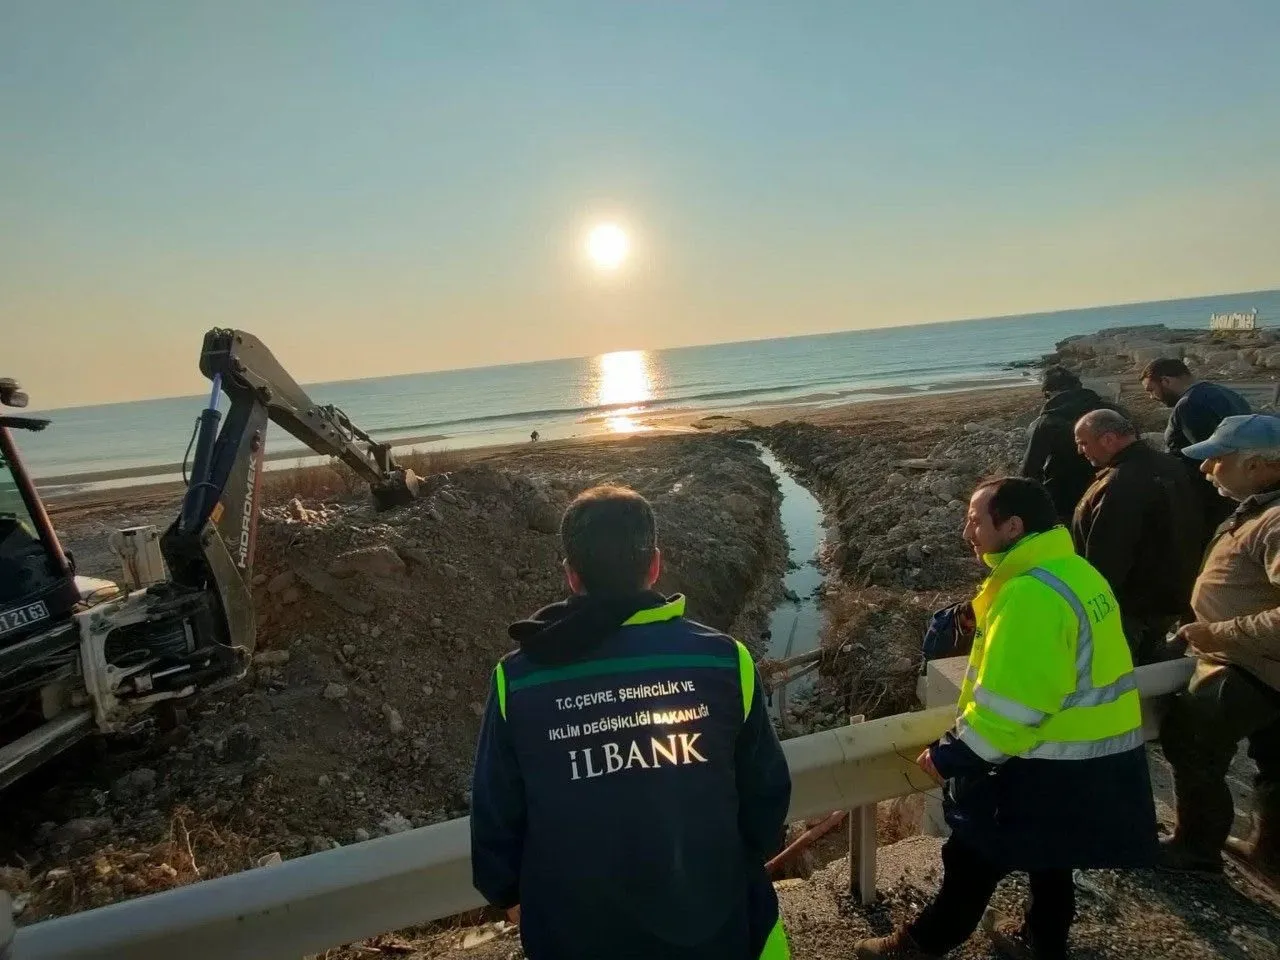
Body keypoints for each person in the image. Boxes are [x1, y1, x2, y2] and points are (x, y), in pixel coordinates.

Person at [470, 485, 793, 960]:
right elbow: (766, 797)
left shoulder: (516, 681)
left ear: (572, 576)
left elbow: (496, 821)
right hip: (718, 930)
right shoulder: (724, 661)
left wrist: (516, 897)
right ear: (655, 564)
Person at [855, 477, 1157, 960]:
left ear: (1013, 526)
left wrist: (955, 752)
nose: (965, 531)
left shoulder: (1029, 597)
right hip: (1094, 753)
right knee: (1051, 857)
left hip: (1046, 759)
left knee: (972, 854)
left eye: (976, 520)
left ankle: (917, 946)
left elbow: (1015, 705)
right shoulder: (1075, 571)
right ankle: (1042, 943)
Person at [1158, 414, 1280, 883]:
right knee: (1275, 760)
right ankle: (1270, 855)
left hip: (1250, 665)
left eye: (1216, 459)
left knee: (1191, 739)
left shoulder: (1274, 520)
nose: (1207, 470)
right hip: (1259, 663)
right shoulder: (1259, 507)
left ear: (1257, 465)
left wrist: (1220, 633)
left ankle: (1195, 848)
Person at [1071, 409, 1204, 664]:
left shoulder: (1120, 483)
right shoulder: (1171, 466)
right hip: (1171, 595)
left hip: (1131, 604)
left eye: (1083, 443)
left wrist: (1092, 603)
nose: (1080, 451)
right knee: (1153, 668)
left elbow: (1109, 553)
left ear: (1108, 439)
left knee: (1118, 672)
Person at [1140, 357, 1250, 536]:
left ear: (1166, 381)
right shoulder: (1225, 393)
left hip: (1209, 497)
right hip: (1239, 487)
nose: (1152, 397)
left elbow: (1209, 455)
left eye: (1151, 390)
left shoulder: (1189, 404)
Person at [1020, 366, 1115, 522]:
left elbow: (1030, 470)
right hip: (1109, 492)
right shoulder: (1110, 412)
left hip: (1064, 501)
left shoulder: (1046, 423)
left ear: (1048, 393)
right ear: (1078, 386)